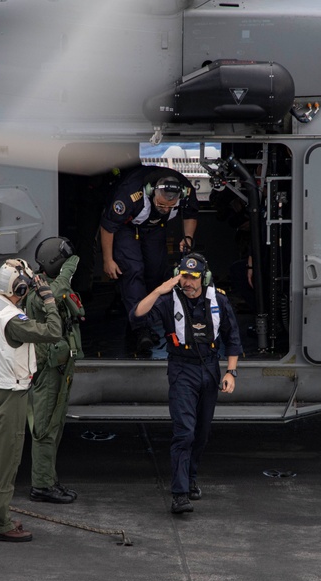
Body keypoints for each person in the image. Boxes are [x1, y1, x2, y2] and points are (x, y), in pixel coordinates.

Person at [131, 252, 242, 514]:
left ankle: (191, 479)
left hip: (211, 370)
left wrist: (231, 372)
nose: (188, 282)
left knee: (201, 433)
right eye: (183, 276)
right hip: (182, 370)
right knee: (185, 433)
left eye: (193, 277)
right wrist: (160, 290)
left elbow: (233, 337)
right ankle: (179, 494)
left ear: (204, 278)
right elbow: (136, 316)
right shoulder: (169, 301)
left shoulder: (219, 300)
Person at [0, 258, 62, 542]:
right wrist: (48, 301)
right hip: (11, 394)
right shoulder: (12, 320)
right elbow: (53, 332)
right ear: (20, 287)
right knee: (6, 459)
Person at [100, 167, 200, 355]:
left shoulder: (186, 191)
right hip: (126, 228)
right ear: (151, 192)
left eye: (170, 206)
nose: (165, 209)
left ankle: (140, 318)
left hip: (155, 228)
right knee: (133, 269)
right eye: (161, 205)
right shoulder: (131, 193)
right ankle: (141, 328)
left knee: (156, 271)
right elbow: (108, 225)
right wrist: (108, 260)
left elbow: (191, 214)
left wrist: (188, 237)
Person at [23, 237, 85, 504]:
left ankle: (48, 479)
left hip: (59, 366)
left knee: (56, 424)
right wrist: (69, 269)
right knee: (46, 428)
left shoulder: (47, 284)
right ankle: (42, 486)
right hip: (48, 370)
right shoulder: (39, 291)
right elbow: (56, 292)